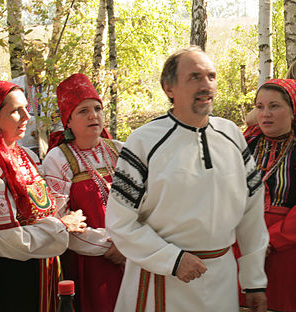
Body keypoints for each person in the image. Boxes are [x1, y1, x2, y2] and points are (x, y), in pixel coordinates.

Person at [105, 46, 269, 312]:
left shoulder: (232, 136)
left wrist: (254, 281)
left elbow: (252, 210)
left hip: (221, 282)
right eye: (195, 77)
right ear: (169, 88)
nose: (206, 85)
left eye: (211, 76)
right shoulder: (144, 142)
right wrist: (172, 259)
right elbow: (119, 222)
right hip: (164, 283)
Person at [0, 80, 86, 312]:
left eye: (26, 108)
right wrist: (61, 226)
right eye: (15, 111)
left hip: (43, 269)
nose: (27, 116)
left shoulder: (24, 156)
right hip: (11, 278)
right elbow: (5, 239)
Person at [241, 78, 296, 311]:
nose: (265, 114)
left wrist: (269, 241)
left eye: (274, 106)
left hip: (288, 251)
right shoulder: (245, 146)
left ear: (293, 111)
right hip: (242, 244)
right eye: (260, 107)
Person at [43, 73, 125, 312]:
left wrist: (129, 245)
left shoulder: (120, 150)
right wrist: (109, 246)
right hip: (90, 262)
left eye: (97, 108)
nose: (93, 115)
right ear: (68, 121)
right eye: (83, 111)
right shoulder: (58, 159)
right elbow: (63, 220)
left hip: (132, 254)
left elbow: (146, 202)